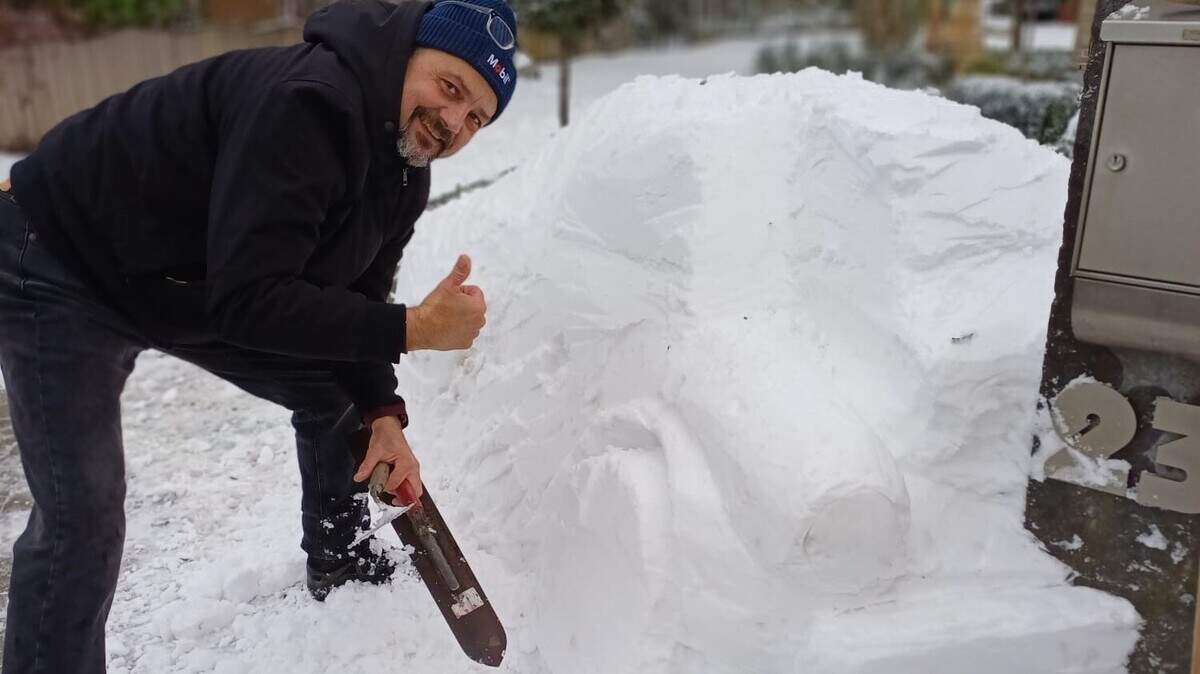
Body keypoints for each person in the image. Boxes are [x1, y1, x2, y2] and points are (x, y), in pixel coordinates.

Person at [0, 0, 517, 670]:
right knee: (83, 516)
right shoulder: (308, 103)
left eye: (476, 117)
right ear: (406, 55)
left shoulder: (402, 179)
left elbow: (354, 299)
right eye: (450, 89)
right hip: (60, 256)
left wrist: (382, 414)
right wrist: (414, 329)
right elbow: (249, 302)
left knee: (339, 398)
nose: (452, 123)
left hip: (178, 281)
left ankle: (341, 559)